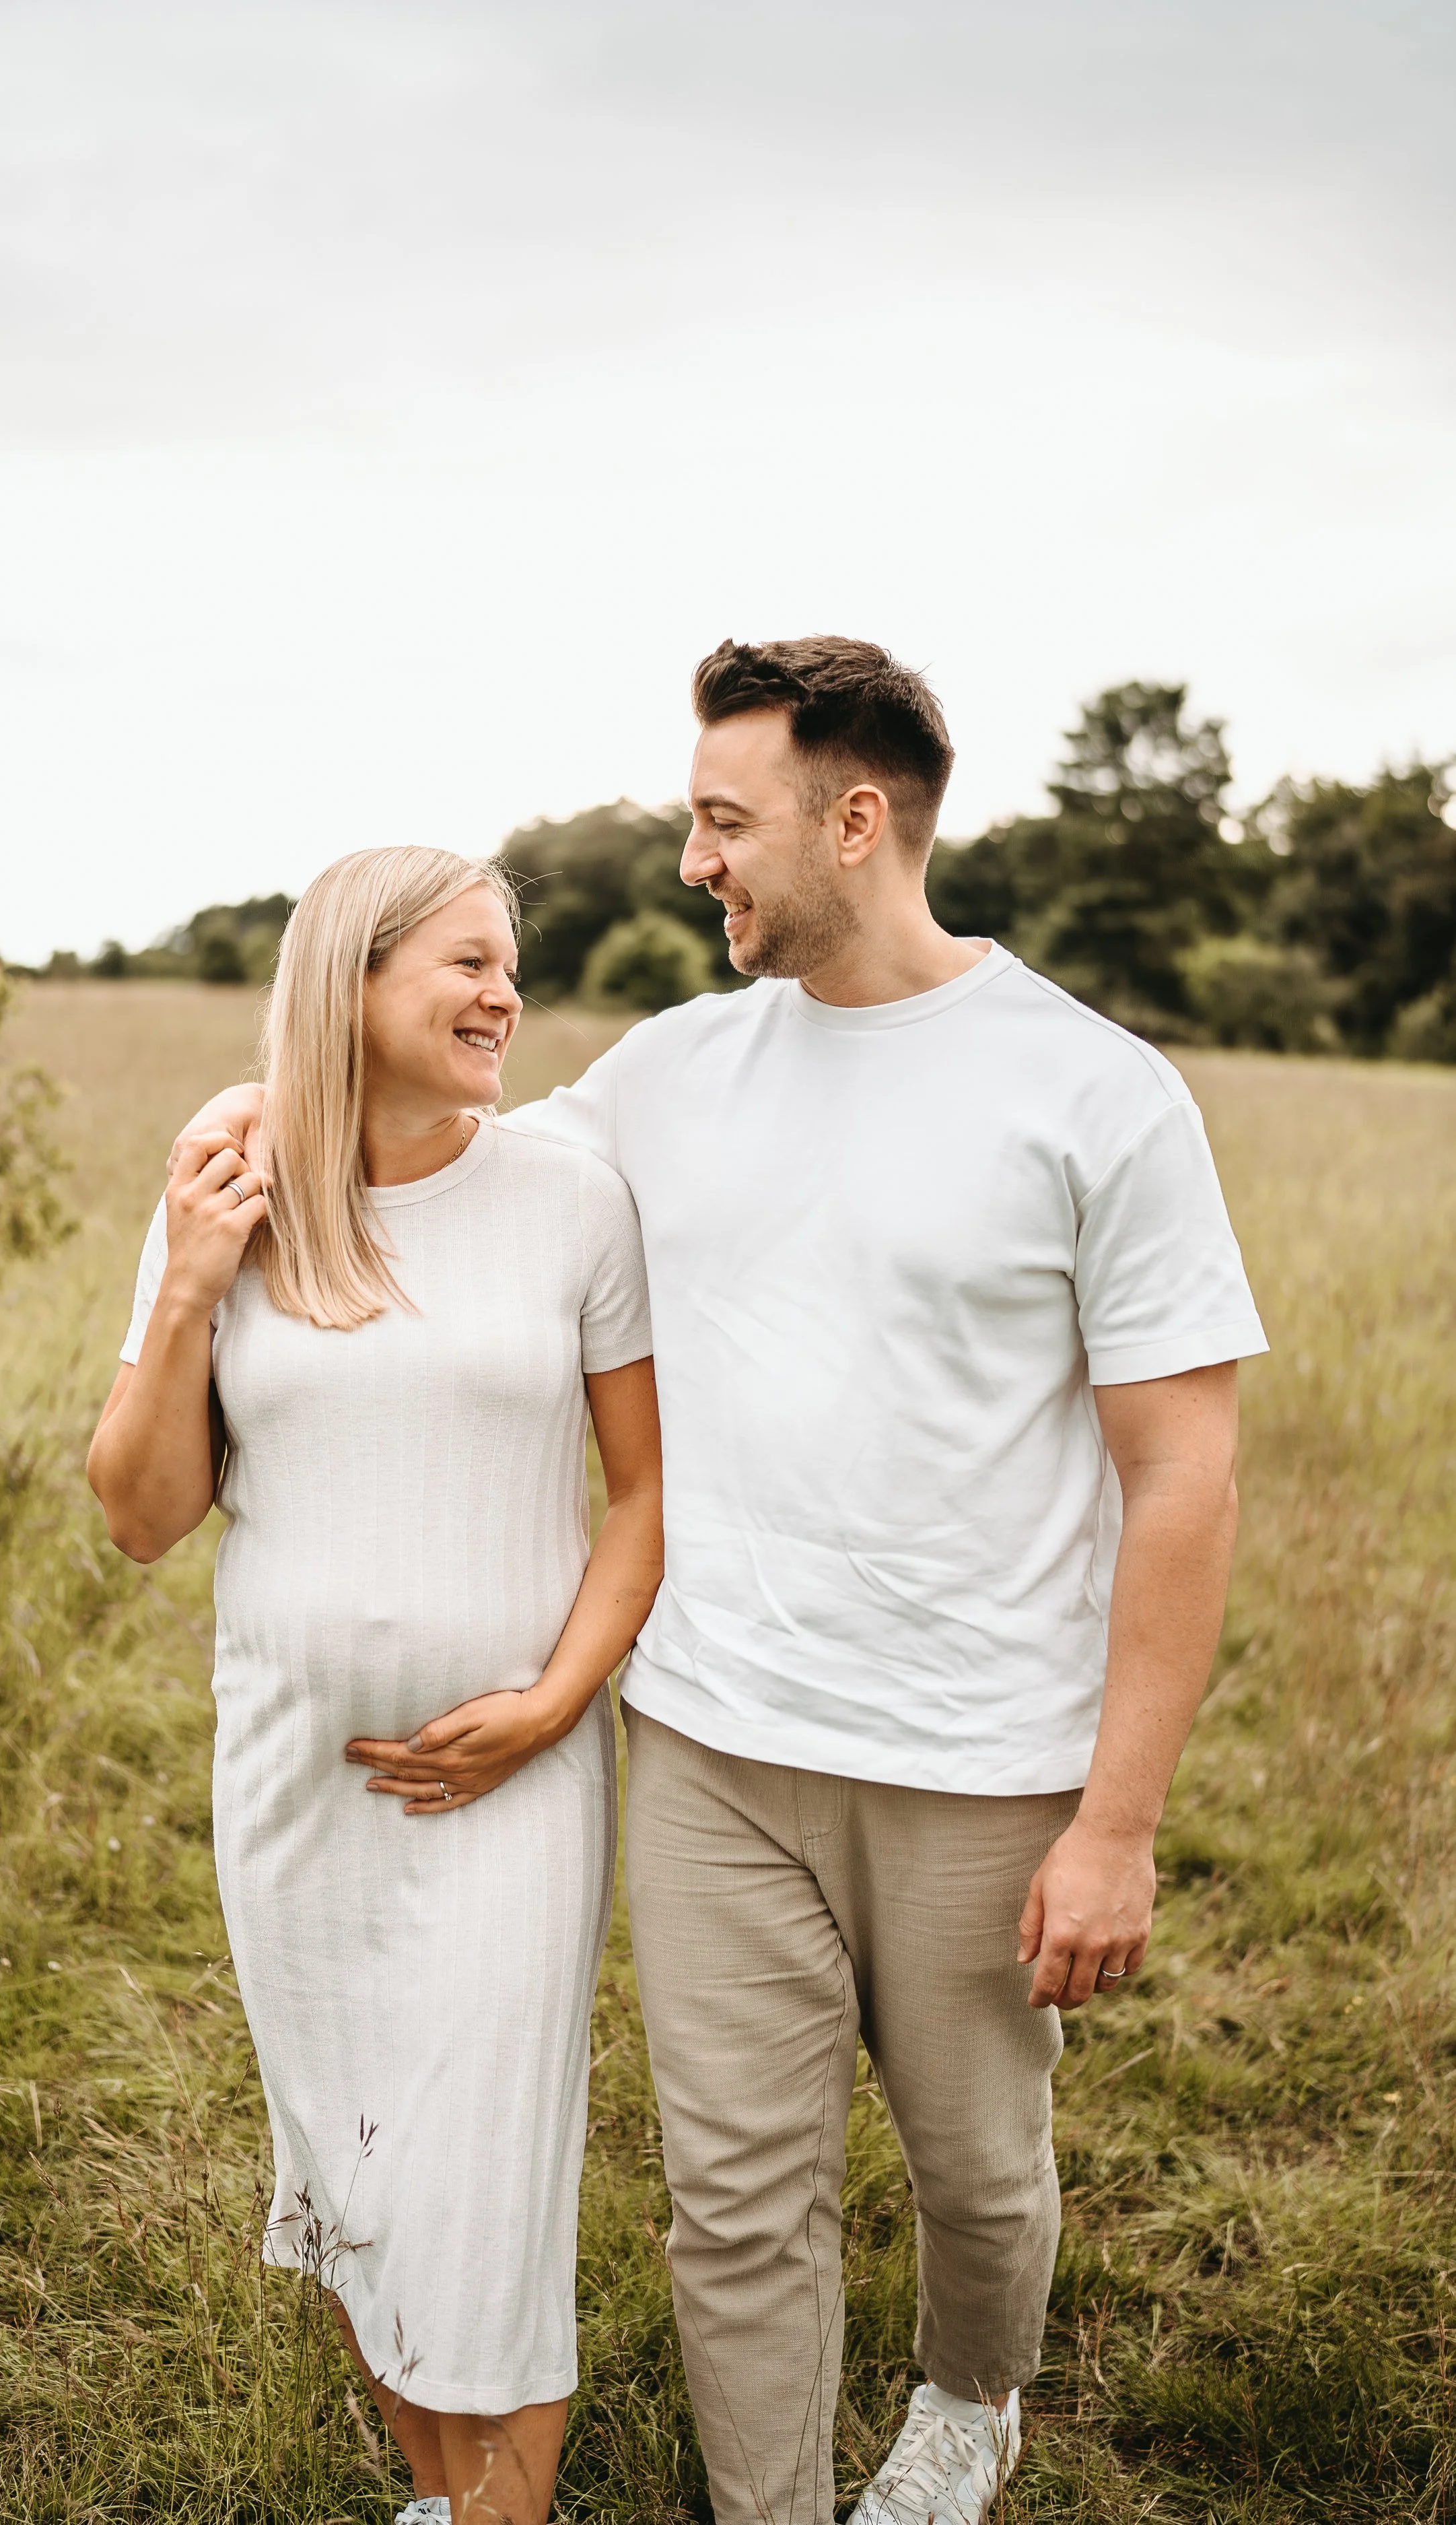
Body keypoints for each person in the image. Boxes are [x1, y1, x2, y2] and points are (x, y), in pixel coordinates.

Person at [178, 639, 1267, 2525]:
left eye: (720, 819)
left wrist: (1118, 1816)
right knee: (734, 2190)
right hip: (706, 1737)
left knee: (974, 2159)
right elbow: (450, 1145)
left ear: (856, 821)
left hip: (979, 1752)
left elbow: (1181, 1468)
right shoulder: (673, 1071)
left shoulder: (1097, 1094)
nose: (695, 858)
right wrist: (250, 1119)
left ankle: (963, 2397)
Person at [90, 846, 663, 2525]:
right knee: (354, 2163)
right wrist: (195, 1279)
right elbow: (140, 1515)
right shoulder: (228, 1182)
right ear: (348, 982)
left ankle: (505, 2508)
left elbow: (639, 1499)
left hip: (512, 1784)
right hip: (295, 1779)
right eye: (464, 964)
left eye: (511, 963)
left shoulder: (570, 1200)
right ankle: (442, 2492)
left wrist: (552, 1704)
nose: (506, 994)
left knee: (485, 2182)